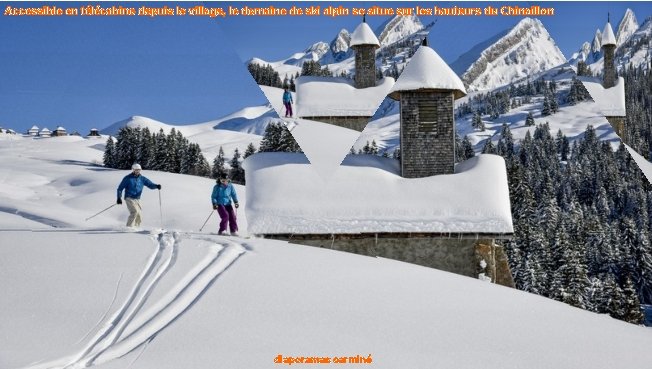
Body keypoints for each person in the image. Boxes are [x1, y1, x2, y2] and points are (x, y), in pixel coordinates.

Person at [116, 163, 161, 228]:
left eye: (139, 170)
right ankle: (129, 227)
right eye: (136, 170)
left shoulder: (142, 179)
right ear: (133, 170)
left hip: (137, 199)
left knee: (139, 215)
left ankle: (136, 228)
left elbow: (150, 185)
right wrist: (119, 198)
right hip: (129, 197)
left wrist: (156, 186)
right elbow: (120, 188)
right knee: (135, 212)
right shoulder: (128, 178)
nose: (137, 171)